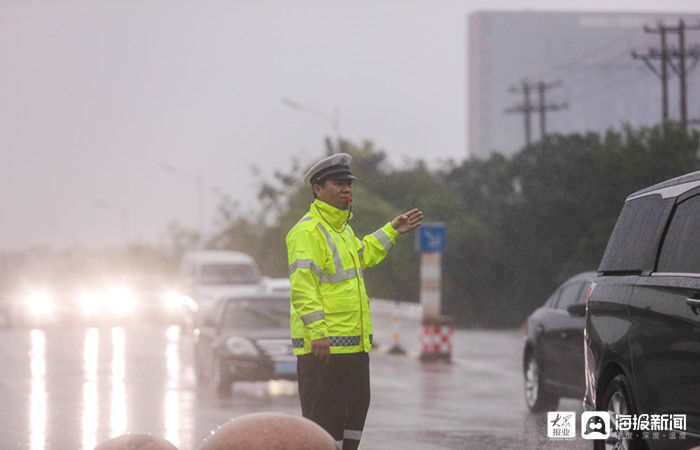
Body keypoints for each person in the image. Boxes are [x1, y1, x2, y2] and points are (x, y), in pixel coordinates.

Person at [286, 152, 423, 450]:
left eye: (349, 183)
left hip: (354, 349)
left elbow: (362, 255)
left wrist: (391, 231)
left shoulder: (343, 230)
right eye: (338, 183)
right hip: (323, 352)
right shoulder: (307, 231)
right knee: (323, 434)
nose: (347, 188)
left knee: (351, 432)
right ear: (318, 189)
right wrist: (318, 333)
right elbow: (303, 287)